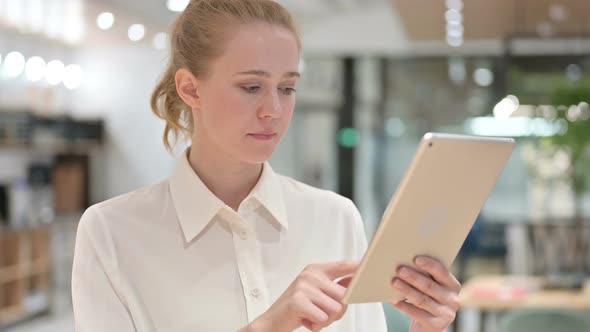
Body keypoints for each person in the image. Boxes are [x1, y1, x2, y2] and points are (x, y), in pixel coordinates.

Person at [71, 0, 461, 331]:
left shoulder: (335, 217)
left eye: (287, 88)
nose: (274, 110)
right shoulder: (111, 233)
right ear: (191, 88)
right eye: (251, 87)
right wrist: (268, 324)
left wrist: (425, 327)